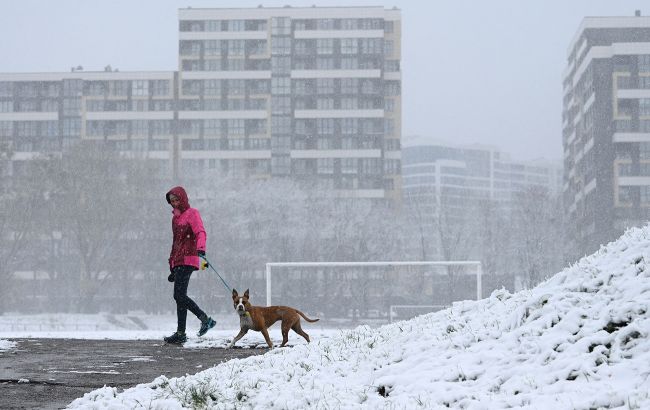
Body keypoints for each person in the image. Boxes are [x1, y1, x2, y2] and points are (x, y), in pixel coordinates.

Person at [163, 186, 216, 344]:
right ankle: (180, 333)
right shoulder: (175, 219)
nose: (174, 203)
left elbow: (200, 232)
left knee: (178, 295)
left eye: (176, 200)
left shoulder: (192, 213)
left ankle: (205, 319)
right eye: (171, 201)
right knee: (180, 298)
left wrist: (201, 248)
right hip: (179, 260)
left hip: (189, 258)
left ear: (183, 198)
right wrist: (172, 264)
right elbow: (176, 243)